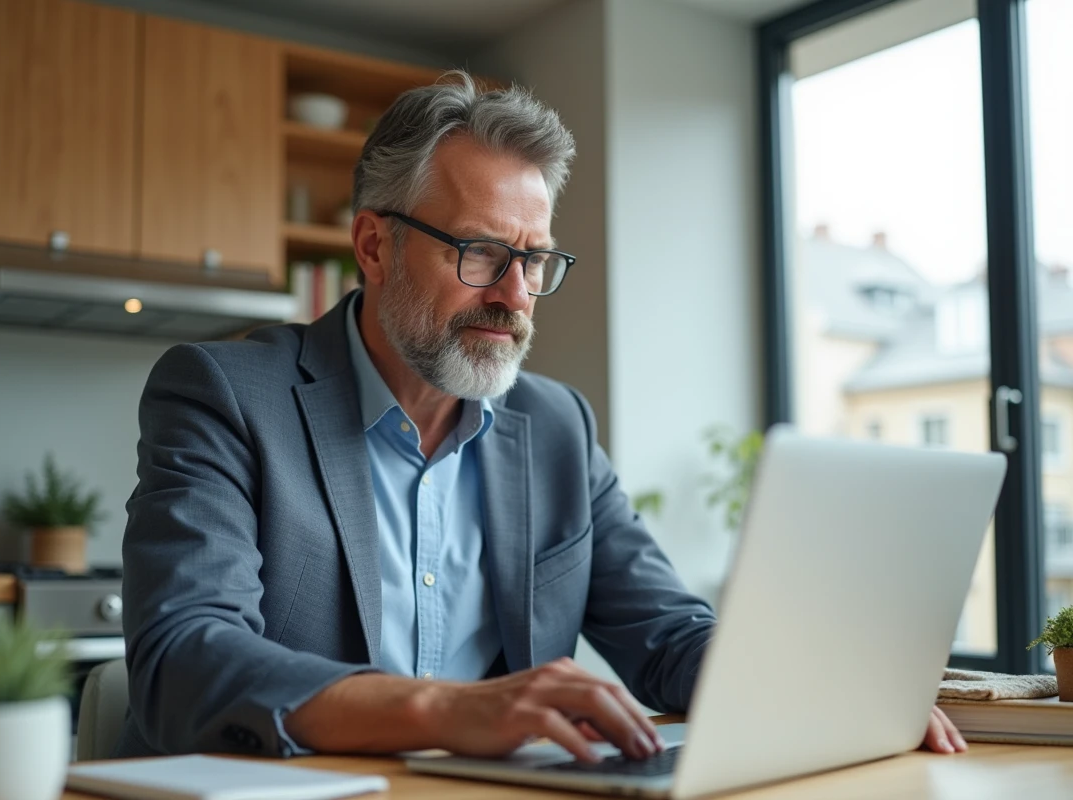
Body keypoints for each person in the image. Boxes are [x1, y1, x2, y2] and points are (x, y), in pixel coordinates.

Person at [116, 71, 966, 762]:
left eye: (534, 259)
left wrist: (830, 694)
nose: (517, 296)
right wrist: (449, 710)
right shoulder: (225, 394)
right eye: (481, 252)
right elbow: (184, 659)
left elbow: (668, 635)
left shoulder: (556, 425)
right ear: (375, 246)